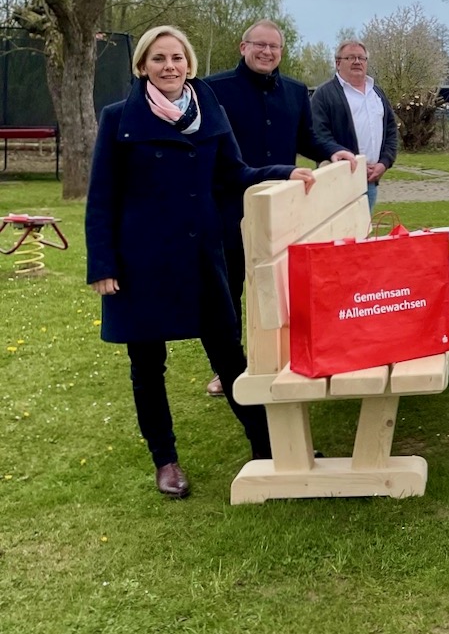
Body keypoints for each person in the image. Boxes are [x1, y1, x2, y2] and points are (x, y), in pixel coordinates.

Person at [85, 25, 316, 499]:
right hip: (140, 261)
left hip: (199, 255)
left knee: (230, 356)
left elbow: (235, 173)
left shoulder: (208, 108)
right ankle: (165, 461)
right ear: (143, 66)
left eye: (177, 58)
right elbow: (101, 198)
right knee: (147, 367)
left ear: (188, 64)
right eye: (158, 59)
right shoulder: (118, 118)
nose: (169, 67)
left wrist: (285, 170)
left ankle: (265, 445)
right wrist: (103, 264)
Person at [203, 19, 357, 397]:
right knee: (232, 289)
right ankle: (229, 367)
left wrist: (331, 151)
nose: (266, 52)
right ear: (243, 47)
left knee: (281, 287)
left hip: (286, 210)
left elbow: (308, 136)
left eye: (274, 47)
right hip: (230, 208)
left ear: (281, 52)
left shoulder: (293, 91)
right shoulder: (213, 89)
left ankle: (281, 357)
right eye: (259, 45)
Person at [311, 39, 398, 211]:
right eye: (350, 58)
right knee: (339, 235)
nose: (357, 62)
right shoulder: (324, 95)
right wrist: (350, 162)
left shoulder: (377, 94)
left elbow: (391, 131)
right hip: (337, 182)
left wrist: (384, 162)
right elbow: (318, 135)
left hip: (370, 181)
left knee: (363, 233)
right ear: (338, 63)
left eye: (361, 58)